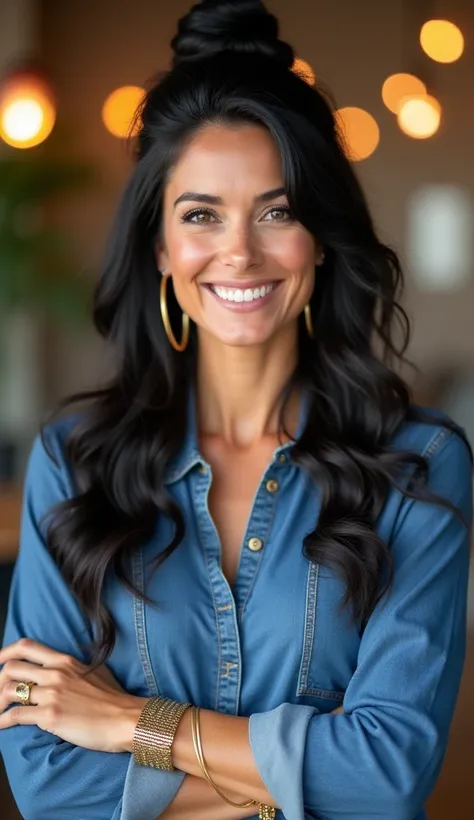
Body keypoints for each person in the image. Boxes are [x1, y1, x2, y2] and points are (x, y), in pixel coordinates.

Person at [0, 1, 472, 818]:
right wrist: (289, 782)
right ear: (160, 246)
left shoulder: (419, 465)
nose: (240, 251)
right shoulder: (71, 462)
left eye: (277, 211)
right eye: (201, 215)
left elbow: (387, 776)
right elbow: (45, 780)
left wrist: (125, 722)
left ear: (320, 236)